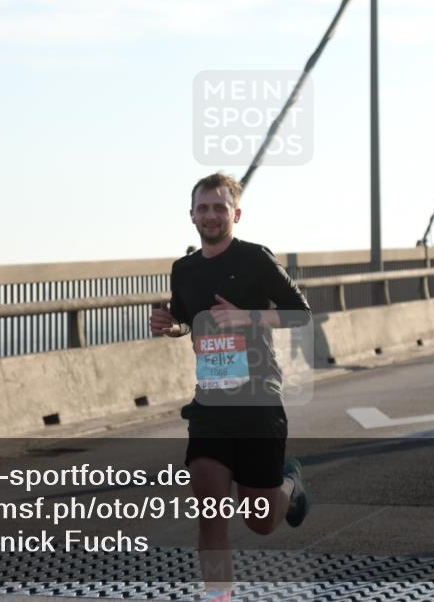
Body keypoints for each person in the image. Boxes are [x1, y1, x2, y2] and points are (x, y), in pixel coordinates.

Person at [148, 172, 312, 600]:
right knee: (211, 515)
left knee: (259, 519)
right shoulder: (182, 269)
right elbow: (188, 317)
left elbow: (302, 315)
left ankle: (290, 486)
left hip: (258, 401)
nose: (211, 215)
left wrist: (248, 317)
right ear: (191, 216)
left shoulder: (256, 259)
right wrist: (172, 324)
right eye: (203, 208)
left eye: (220, 207)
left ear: (235, 213)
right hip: (210, 406)